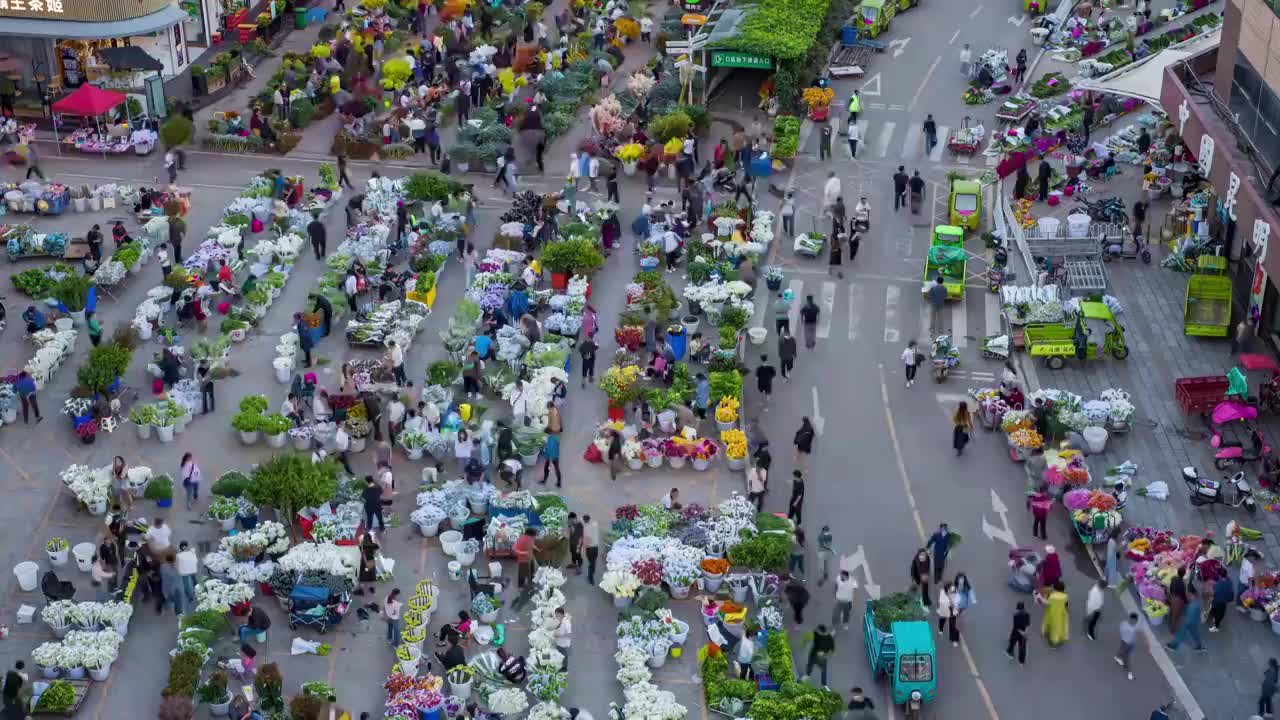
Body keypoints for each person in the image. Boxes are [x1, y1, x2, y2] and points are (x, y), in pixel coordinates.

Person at [1041, 581, 1069, 647]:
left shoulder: (1052, 596)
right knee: (1059, 626)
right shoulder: (1065, 596)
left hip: (1051, 612)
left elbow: (1047, 602)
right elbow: (1066, 604)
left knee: (1051, 624)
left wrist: (1040, 598)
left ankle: (1053, 641)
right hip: (1061, 613)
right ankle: (1059, 637)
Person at [1006, 601, 1031, 665]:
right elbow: (1028, 625)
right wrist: (1025, 633)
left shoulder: (1016, 615)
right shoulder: (1027, 614)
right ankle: (1021, 661)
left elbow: (1016, 626)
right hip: (1024, 632)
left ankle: (1009, 653)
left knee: (1012, 643)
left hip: (1016, 632)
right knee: (1022, 647)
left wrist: (1022, 633)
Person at [1115, 612, 1138, 680]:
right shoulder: (1131, 628)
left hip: (1125, 642)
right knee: (1127, 657)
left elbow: (1121, 631)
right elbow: (1131, 637)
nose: (1135, 622)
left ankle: (1117, 657)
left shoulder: (1123, 623)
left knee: (1122, 651)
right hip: (1128, 644)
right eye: (1135, 621)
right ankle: (1129, 673)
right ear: (1132, 620)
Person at [583, 514, 600, 584]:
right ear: (589, 520)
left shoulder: (584, 528)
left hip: (589, 548)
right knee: (593, 562)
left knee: (591, 562)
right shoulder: (594, 526)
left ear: (584, 520)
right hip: (595, 548)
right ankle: (591, 575)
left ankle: (590, 577)